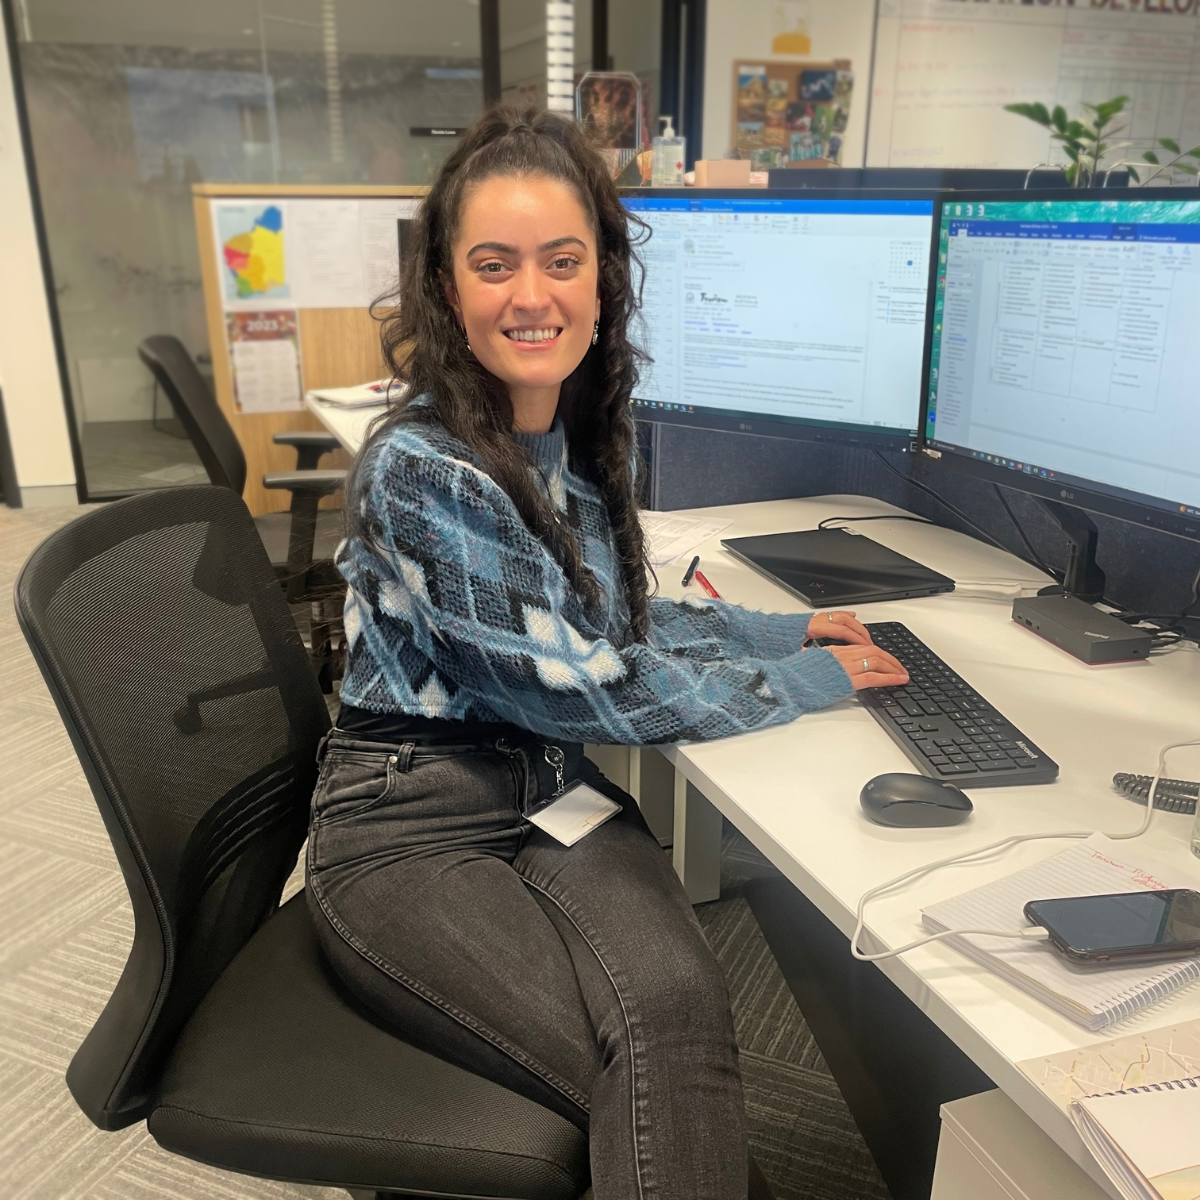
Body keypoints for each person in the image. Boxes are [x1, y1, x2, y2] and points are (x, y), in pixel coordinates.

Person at [305, 105, 908, 1200]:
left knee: (683, 1018)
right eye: (494, 265)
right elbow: (584, 691)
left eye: (561, 261)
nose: (530, 294)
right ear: (448, 290)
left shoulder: (564, 439)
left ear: (601, 281)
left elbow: (613, 622)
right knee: (635, 1073)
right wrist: (800, 682)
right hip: (408, 821)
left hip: (541, 791)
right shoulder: (424, 468)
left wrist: (780, 629)